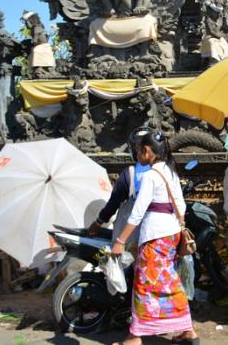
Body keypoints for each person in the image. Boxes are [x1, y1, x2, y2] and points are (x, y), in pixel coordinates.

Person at [110, 130, 198, 345]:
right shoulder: (170, 172)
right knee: (168, 281)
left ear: (147, 151)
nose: (137, 155)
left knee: (144, 284)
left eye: (138, 151)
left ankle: (135, 336)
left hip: (155, 236)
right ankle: (187, 330)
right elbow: (182, 206)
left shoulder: (150, 176)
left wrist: (120, 242)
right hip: (171, 234)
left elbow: (137, 213)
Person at [88, 127, 152, 248]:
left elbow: (114, 202)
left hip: (133, 236)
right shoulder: (167, 172)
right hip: (162, 235)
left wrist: (99, 222)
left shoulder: (130, 173)